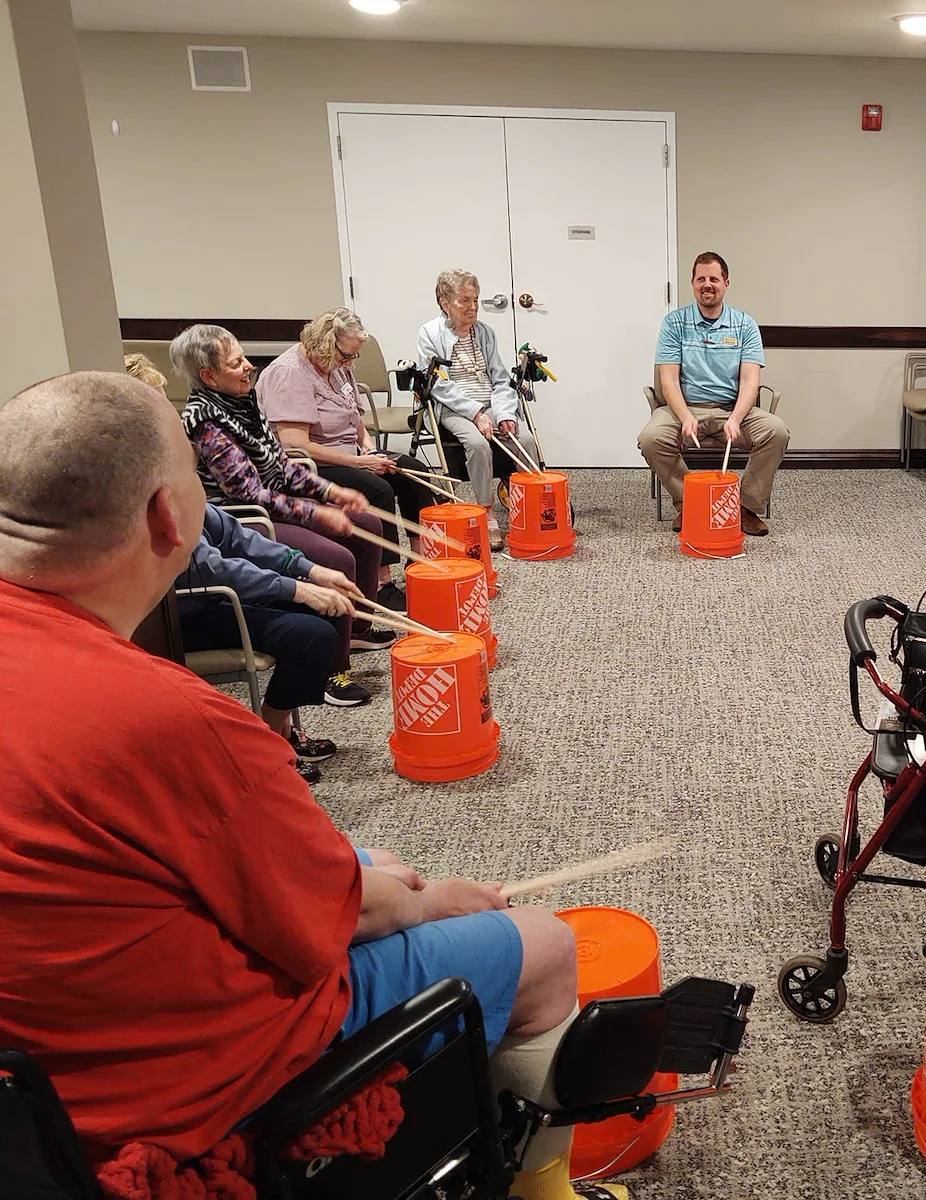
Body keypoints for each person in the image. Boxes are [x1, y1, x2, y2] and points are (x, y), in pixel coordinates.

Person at [0, 371, 624, 1200]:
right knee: (540, 944)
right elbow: (340, 921)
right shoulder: (179, 723)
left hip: (36, 1078)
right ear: (168, 514)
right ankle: (539, 1189)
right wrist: (428, 902)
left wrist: (361, 875)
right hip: (167, 1088)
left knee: (367, 860)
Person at [172, 322, 394, 673]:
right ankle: (333, 670)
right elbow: (250, 494)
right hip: (246, 517)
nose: (248, 366)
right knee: (337, 558)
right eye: (235, 363)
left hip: (277, 502)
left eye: (244, 357)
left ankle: (356, 628)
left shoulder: (244, 401)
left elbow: (282, 464)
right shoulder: (205, 422)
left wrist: (330, 491)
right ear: (209, 376)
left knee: (366, 524)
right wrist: (316, 513)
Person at [178, 504, 371, 782]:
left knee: (333, 608)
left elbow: (236, 537)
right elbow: (211, 569)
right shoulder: (158, 502)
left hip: (215, 596)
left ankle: (279, 731)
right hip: (182, 614)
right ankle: (264, 744)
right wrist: (297, 589)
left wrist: (311, 570)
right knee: (312, 637)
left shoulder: (182, 489)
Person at [258, 307, 435, 605]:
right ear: (326, 343)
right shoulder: (288, 372)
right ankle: (380, 584)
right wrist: (359, 462)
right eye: (347, 356)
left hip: (349, 453)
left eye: (354, 356)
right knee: (379, 489)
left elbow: (355, 418)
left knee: (410, 470)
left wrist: (367, 447)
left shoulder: (337, 364)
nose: (350, 362)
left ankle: (417, 563)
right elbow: (294, 445)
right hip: (307, 466)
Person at [638, 251, 790, 537]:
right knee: (651, 438)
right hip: (684, 409)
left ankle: (744, 506)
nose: (707, 284)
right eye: (701, 279)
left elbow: (750, 383)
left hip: (732, 410)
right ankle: (691, 503)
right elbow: (668, 380)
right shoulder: (674, 323)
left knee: (776, 431)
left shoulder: (745, 324)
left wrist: (735, 418)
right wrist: (684, 415)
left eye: (714, 279)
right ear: (693, 283)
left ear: (726, 283)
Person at [417, 269, 542, 552]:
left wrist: (506, 413)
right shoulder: (429, 334)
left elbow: (500, 379)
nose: (473, 307)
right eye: (464, 301)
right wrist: (475, 413)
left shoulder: (484, 332)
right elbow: (439, 386)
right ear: (444, 302)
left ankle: (528, 507)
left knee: (524, 441)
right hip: (452, 408)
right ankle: (486, 511)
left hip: (489, 403)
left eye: (475, 300)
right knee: (477, 442)